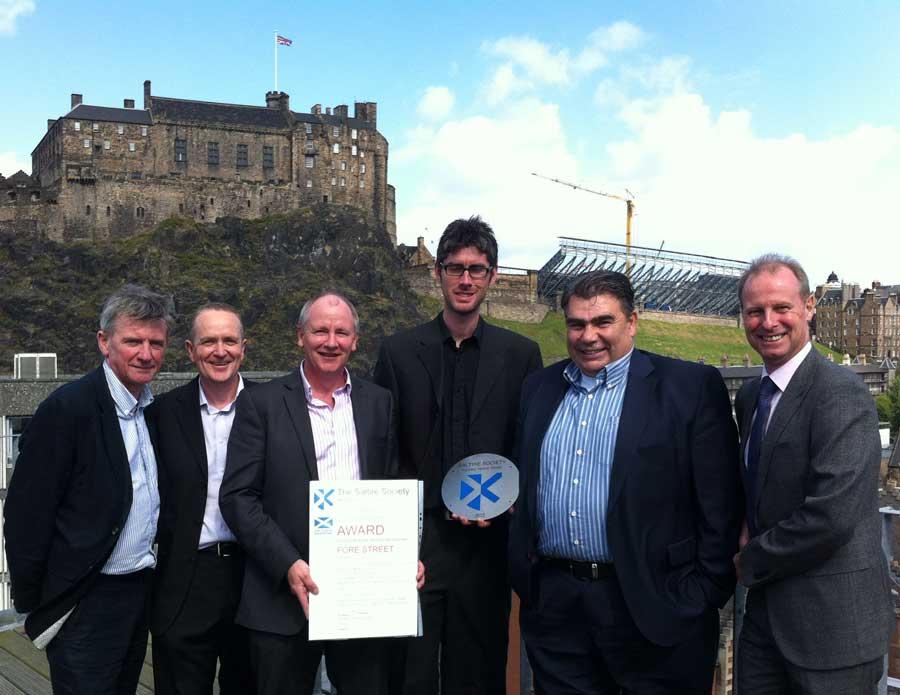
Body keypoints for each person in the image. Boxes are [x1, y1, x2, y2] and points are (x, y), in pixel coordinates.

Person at [508, 269, 742, 694]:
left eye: (603, 322)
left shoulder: (687, 387)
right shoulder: (539, 389)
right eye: (577, 324)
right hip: (558, 609)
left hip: (656, 606)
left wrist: (703, 593)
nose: (588, 336)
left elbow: (720, 504)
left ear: (632, 322)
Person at [220, 291, 422, 695]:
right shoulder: (261, 403)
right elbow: (237, 497)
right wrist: (288, 563)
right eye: (320, 331)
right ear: (300, 336)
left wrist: (405, 555)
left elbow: (390, 487)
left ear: (355, 341)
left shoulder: (379, 403)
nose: (331, 342)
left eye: (341, 332)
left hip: (362, 598)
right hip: (281, 598)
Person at [374, 216, 543, 695]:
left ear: (492, 276)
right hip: (417, 546)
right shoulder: (398, 352)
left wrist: (511, 502)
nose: (465, 279)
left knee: (481, 674)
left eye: (476, 268)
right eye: (454, 268)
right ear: (438, 274)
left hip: (487, 548)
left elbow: (527, 445)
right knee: (411, 674)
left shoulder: (521, 354)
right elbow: (382, 448)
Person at [734, 254, 892, 694]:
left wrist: (748, 559)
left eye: (781, 308)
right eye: (755, 311)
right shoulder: (752, 396)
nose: (769, 322)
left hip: (833, 629)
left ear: (808, 308)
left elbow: (832, 515)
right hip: (765, 622)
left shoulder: (840, 392)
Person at [4, 284, 173, 695]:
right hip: (86, 600)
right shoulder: (68, 409)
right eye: (133, 341)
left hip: (138, 592)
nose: (145, 353)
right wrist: (36, 608)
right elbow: (27, 514)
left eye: (156, 343)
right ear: (104, 341)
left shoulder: (152, 408)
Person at [148, 303, 254, 695]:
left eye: (229, 340)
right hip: (186, 580)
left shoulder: (275, 407)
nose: (220, 350)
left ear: (244, 348)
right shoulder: (161, 413)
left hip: (255, 579)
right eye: (209, 341)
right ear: (191, 350)